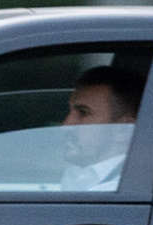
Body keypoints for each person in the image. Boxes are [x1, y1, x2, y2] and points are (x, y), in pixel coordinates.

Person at [58, 64, 144, 192]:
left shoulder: (126, 189)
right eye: (69, 112)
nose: (65, 126)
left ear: (123, 129)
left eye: (83, 113)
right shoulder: (77, 175)